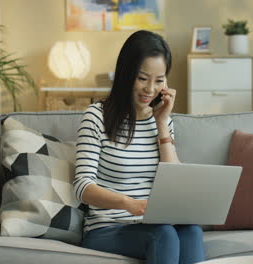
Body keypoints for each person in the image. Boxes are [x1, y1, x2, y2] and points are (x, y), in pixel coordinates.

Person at [73, 30, 205, 264]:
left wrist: (162, 123)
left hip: (153, 223)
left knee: (192, 231)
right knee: (163, 234)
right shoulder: (96, 116)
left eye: (159, 80)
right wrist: (128, 204)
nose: (150, 89)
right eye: (143, 78)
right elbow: (82, 187)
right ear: (127, 73)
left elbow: (175, 181)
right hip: (107, 228)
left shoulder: (162, 119)